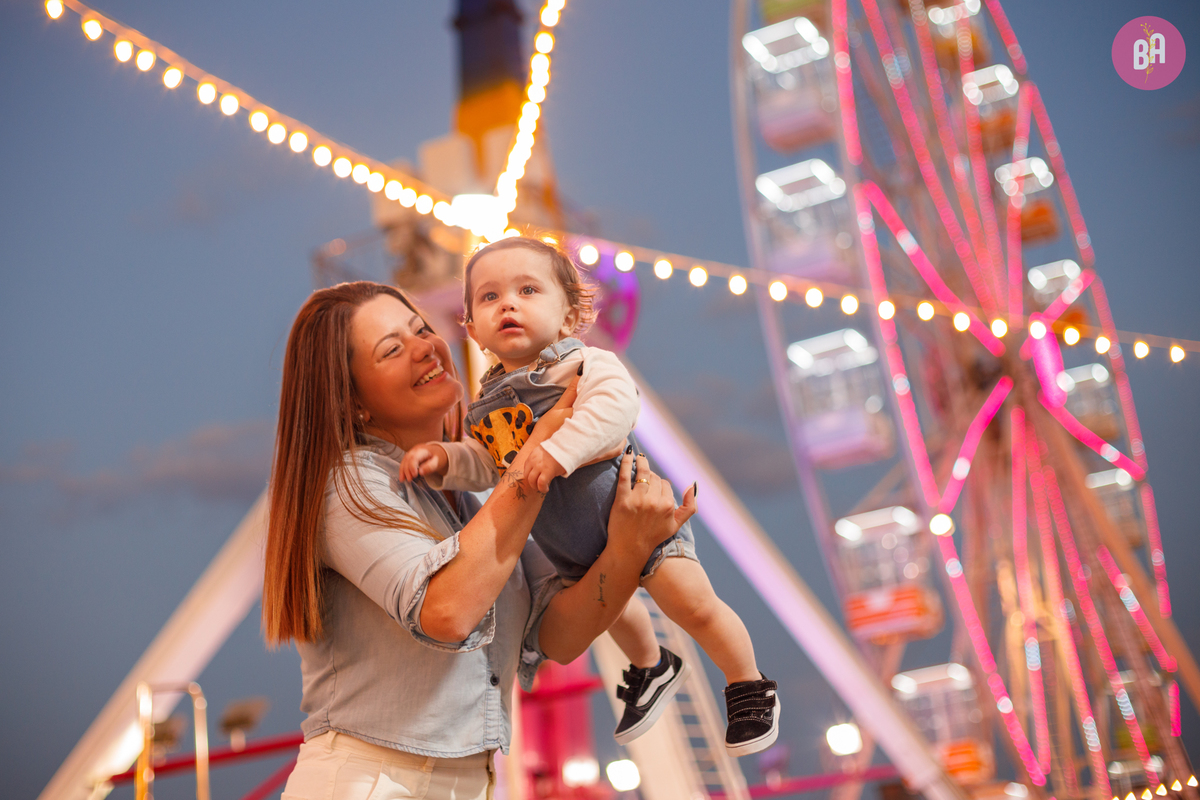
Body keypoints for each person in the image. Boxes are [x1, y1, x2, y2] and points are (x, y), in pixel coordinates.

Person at [262, 281, 695, 800]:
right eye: (393, 349)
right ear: (353, 402)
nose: (426, 347)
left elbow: (557, 635)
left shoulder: (477, 493)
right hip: (371, 782)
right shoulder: (347, 485)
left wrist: (627, 548)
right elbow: (446, 612)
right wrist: (539, 448)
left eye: (422, 329)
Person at [399, 237, 780, 756]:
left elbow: (616, 409)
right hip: (574, 553)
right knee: (615, 614)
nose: (507, 304)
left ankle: (747, 683)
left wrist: (558, 450)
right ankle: (652, 667)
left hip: (636, 517)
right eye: (489, 297)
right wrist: (446, 460)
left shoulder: (584, 363)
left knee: (693, 606)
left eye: (527, 290)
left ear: (568, 315)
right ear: (470, 327)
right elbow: (492, 463)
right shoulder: (487, 405)